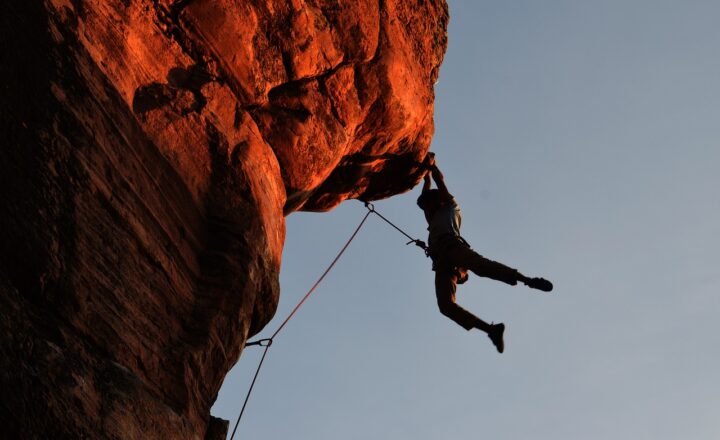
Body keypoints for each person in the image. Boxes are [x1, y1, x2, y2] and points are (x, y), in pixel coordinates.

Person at [416, 154, 553, 353]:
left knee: (481, 267)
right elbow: (428, 187)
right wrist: (425, 175)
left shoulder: (450, 208)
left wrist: (432, 166)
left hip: (453, 248)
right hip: (442, 262)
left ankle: (527, 280)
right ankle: (490, 329)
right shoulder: (433, 217)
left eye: (428, 205)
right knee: (445, 306)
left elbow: (439, 181)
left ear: (436, 202)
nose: (425, 210)